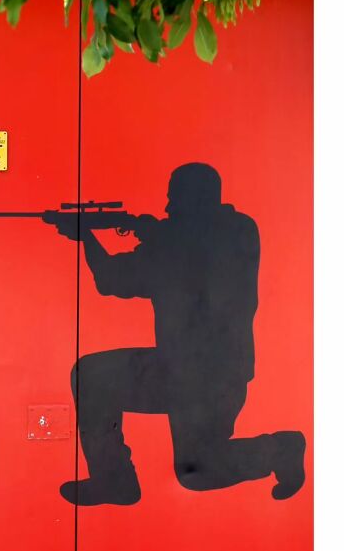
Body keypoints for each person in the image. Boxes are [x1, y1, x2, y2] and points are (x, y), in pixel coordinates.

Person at [52, 163, 306, 506]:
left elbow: (113, 278)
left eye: (174, 199)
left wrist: (89, 238)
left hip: (208, 379)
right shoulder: (236, 231)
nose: (168, 208)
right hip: (185, 371)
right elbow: (133, 272)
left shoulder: (205, 236)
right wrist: (137, 234)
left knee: (196, 473)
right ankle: (115, 480)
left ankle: (279, 450)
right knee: (94, 378)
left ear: (194, 199)